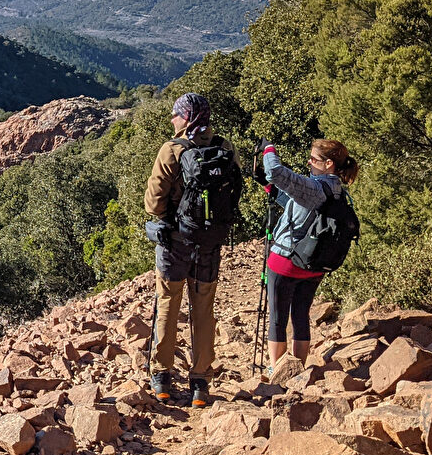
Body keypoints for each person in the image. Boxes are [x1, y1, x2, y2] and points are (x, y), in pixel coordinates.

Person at [144, 92, 241, 407]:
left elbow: (153, 203)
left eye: (175, 115)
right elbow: (234, 194)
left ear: (185, 117)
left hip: (175, 242)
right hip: (210, 244)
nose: (172, 119)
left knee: (168, 303)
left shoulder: (171, 150)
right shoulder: (225, 149)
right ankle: (200, 383)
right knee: (203, 308)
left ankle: (161, 378)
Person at [260, 139, 360, 367]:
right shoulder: (335, 189)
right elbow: (300, 206)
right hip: (314, 265)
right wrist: (270, 190)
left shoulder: (315, 186)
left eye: (313, 159)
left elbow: (274, 171)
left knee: (277, 318)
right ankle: (298, 368)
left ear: (328, 164)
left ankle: (278, 370)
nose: (309, 162)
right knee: (301, 315)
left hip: (285, 260)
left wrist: (269, 149)